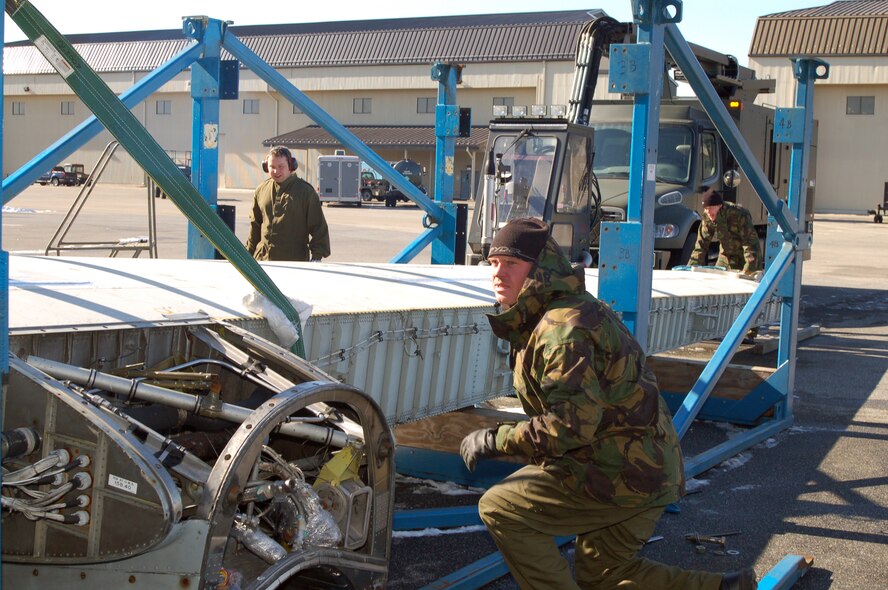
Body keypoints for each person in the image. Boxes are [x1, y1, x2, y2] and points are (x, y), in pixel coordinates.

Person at [459, 217, 756, 590]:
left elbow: (570, 425)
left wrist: (495, 439)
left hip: (621, 470)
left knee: (501, 507)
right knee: (603, 574)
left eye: (511, 264)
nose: (498, 274)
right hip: (643, 465)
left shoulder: (561, 329)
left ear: (540, 271)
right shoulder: (560, 312)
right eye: (494, 264)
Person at [246, 146, 330, 262]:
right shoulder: (261, 190)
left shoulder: (306, 192)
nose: (276, 171)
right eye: (272, 167)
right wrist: (247, 254)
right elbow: (255, 226)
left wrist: (317, 257)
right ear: (266, 167)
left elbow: (319, 228)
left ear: (291, 166)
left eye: (281, 166)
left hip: (295, 262)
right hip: (263, 261)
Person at [689, 186, 761, 274]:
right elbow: (701, 246)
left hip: (744, 258)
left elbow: (750, 244)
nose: (708, 212)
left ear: (719, 206)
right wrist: (690, 269)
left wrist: (748, 271)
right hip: (725, 258)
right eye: (706, 209)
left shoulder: (739, 214)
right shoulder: (707, 217)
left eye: (711, 208)